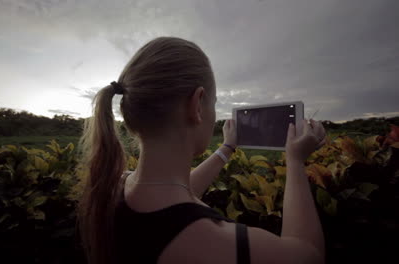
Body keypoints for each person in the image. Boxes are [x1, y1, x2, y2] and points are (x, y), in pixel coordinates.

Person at [75, 36, 326, 264]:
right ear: (197, 104)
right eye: (213, 103)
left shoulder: (115, 187)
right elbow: (308, 254)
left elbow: (182, 194)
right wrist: (295, 161)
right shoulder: (208, 240)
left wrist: (227, 148)